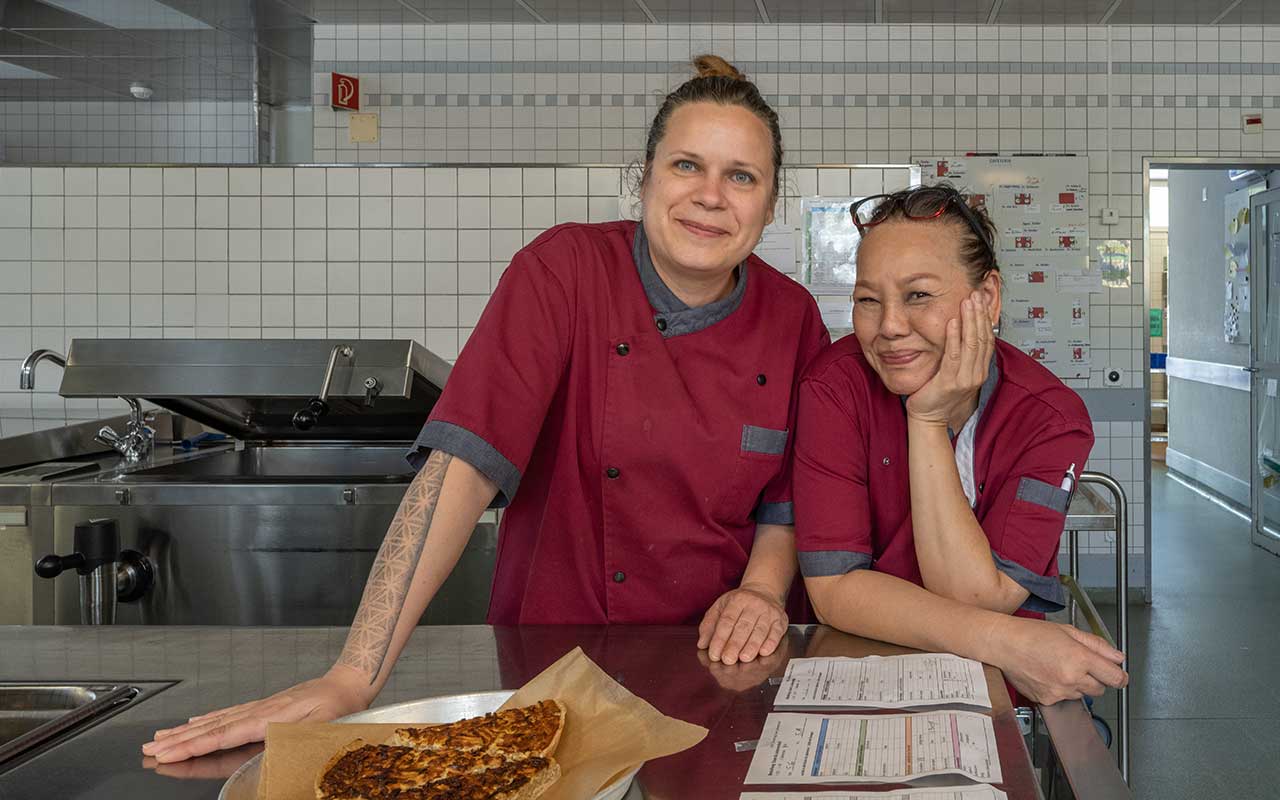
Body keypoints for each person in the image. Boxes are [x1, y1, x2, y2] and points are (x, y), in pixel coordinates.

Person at [142, 55, 831, 763]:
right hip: (563, 668)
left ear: (770, 204)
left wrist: (759, 590)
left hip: (725, 667)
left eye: (741, 176)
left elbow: (787, 498)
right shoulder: (562, 272)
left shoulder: (794, 317)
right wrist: (354, 676)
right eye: (687, 166)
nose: (711, 196)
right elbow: (461, 469)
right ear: (645, 177)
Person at [794, 184, 1129, 704]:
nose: (889, 327)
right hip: (863, 668)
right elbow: (834, 589)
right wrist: (1011, 641)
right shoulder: (835, 388)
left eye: (919, 295)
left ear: (987, 298)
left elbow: (975, 596)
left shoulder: (1049, 418)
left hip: (995, 690)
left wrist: (925, 420)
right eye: (867, 299)